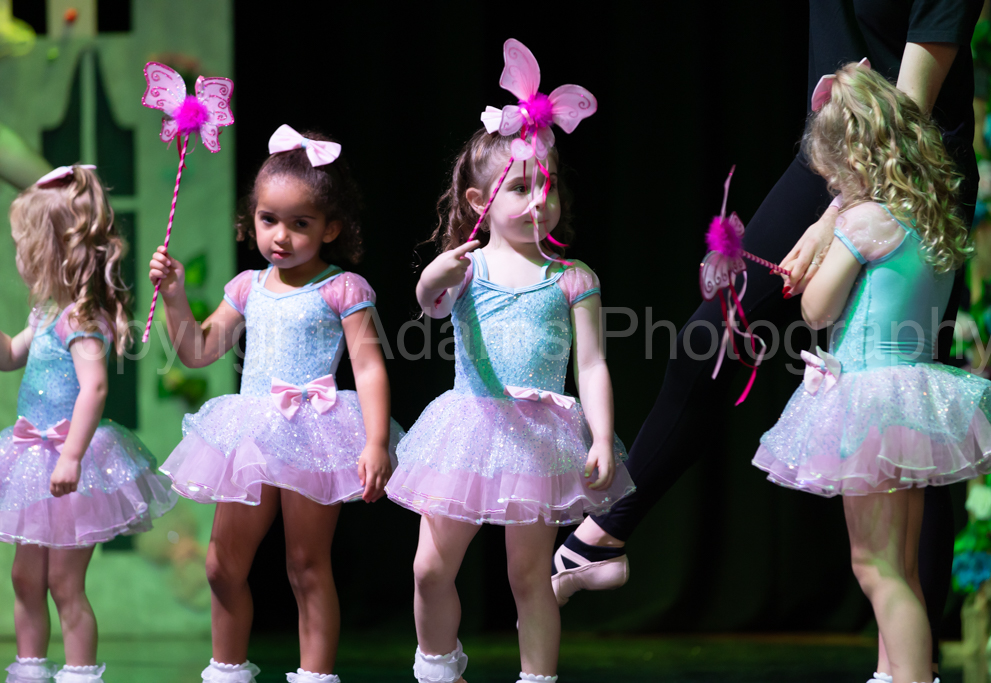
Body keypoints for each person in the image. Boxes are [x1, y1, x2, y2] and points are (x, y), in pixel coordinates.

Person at [552, 1, 984, 677]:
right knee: (716, 345)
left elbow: (906, 114)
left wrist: (839, 214)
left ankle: (908, 669)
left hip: (901, 159)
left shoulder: (868, 198)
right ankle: (901, 670)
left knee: (899, 495)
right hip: (846, 152)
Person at [754, 61, 991, 683]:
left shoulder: (863, 221)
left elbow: (817, 310)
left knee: (875, 568)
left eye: (835, 177)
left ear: (857, 160)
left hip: (869, 399)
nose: (834, 189)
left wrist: (810, 276)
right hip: (912, 397)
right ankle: (893, 672)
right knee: (902, 567)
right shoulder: (928, 214)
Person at [150, 127, 402, 683]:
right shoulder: (247, 287)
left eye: (300, 223)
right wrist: (174, 296)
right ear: (253, 217)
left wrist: (377, 441)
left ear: (330, 227)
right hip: (254, 432)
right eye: (269, 220)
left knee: (305, 565)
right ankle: (227, 669)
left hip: (316, 431)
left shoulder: (342, 288)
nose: (280, 236)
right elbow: (198, 350)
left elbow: (368, 367)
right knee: (221, 564)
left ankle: (315, 675)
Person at [386, 129, 634, 683]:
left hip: (539, 442)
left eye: (548, 185)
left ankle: (537, 678)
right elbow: (430, 302)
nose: (539, 200)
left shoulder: (573, 278)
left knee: (529, 576)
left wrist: (601, 436)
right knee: (429, 568)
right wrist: (435, 275)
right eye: (521, 188)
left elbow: (591, 363)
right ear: (480, 201)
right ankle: (439, 670)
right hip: (469, 431)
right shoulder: (465, 270)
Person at [2, 165, 176, 683]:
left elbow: (94, 388)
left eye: (23, 246)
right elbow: (10, 356)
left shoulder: (80, 319)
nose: (18, 257)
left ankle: (79, 672)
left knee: (64, 582)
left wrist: (72, 455)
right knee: (24, 577)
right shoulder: (44, 313)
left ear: (54, 252)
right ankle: (30, 667)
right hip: (31, 458)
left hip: (71, 461)